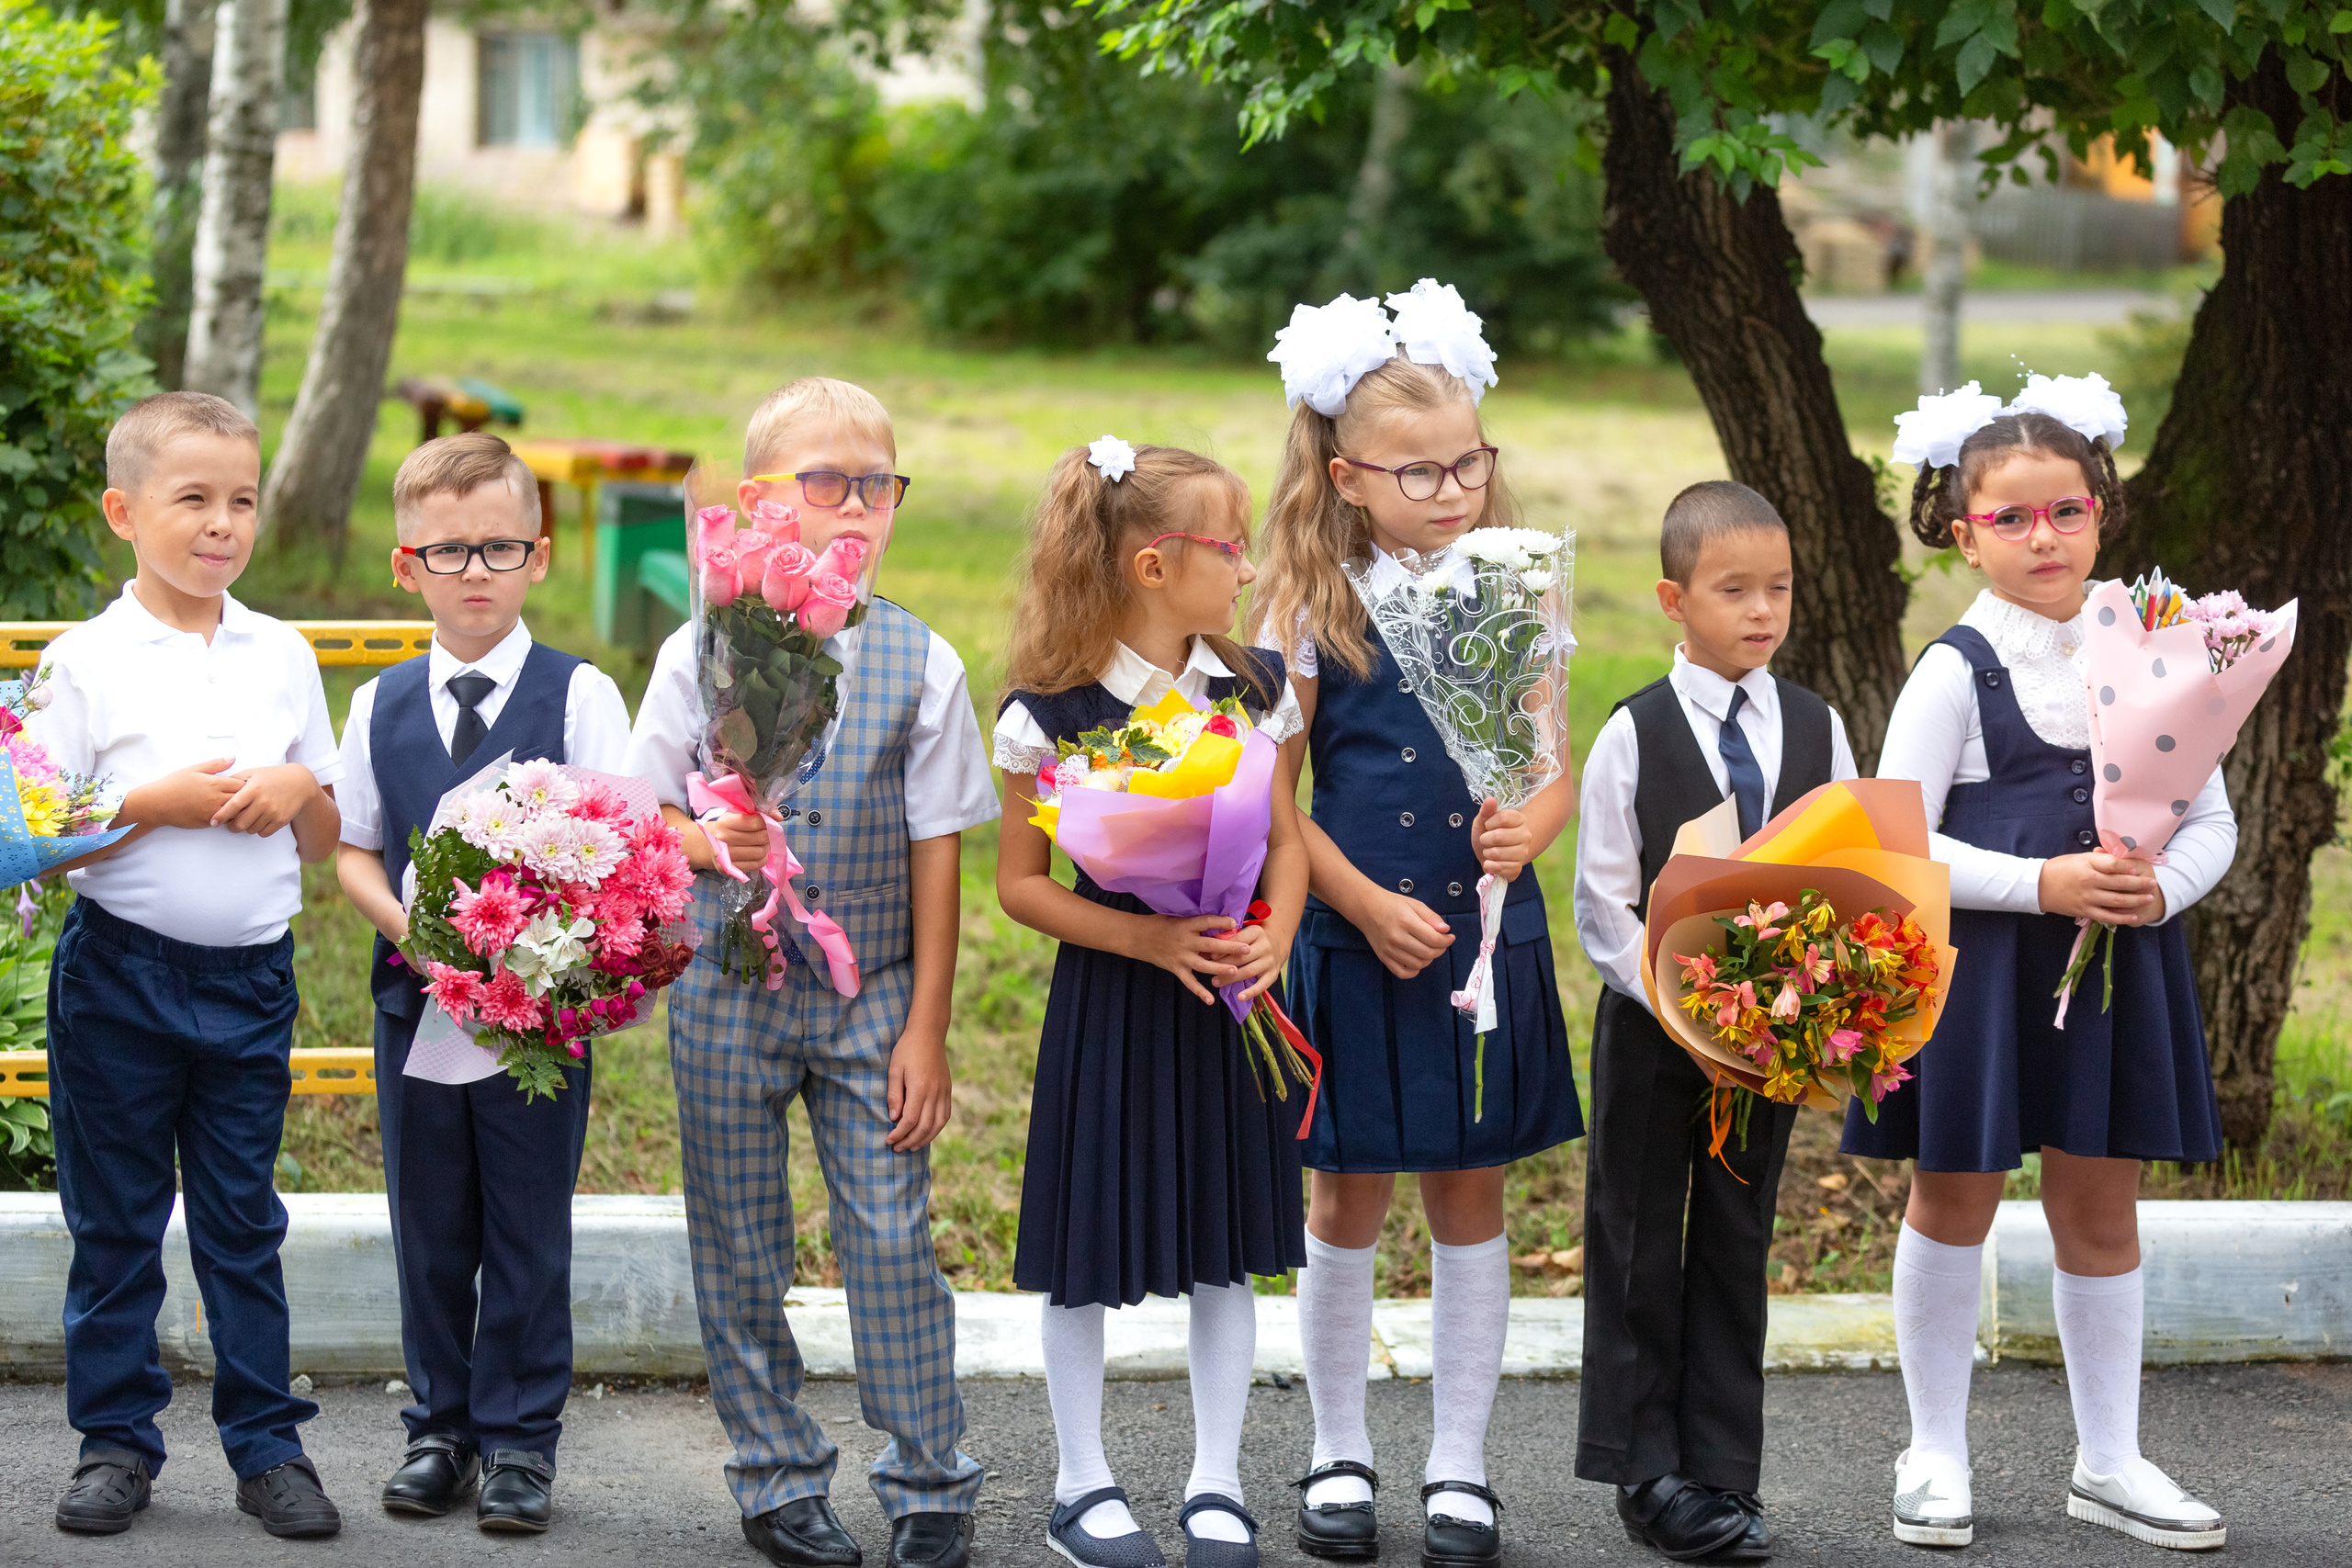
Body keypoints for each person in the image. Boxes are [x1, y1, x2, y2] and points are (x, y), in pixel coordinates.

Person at [1849, 387, 2231, 1551]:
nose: (2044, 538)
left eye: (2065, 511)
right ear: (1963, 534)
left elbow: (2212, 819)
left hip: (2118, 969)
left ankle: (2108, 1461)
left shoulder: (2155, 655)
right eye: (2010, 520)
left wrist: (2161, 888)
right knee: (1953, 1193)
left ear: (2103, 513)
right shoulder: (1955, 670)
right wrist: (2043, 885)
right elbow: (1894, 840)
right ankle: (1932, 1452)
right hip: (1981, 975)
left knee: (2101, 1204)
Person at [624, 377, 997, 1568]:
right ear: (755, 503)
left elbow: (939, 850)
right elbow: (639, 815)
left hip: (872, 991)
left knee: (889, 1234)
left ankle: (930, 1472)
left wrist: (925, 1027)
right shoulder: (702, 651)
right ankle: (777, 1470)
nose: (854, 506)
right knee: (738, 1240)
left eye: (876, 484)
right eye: (823, 481)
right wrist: (702, 838)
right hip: (726, 995)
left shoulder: (919, 660)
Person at [1246, 284, 1583, 1568]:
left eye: (1468, 463)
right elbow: (1277, 801)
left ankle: (1460, 1461)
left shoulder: (1517, 584)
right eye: (1420, 471)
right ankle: (1340, 1446)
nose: (1452, 489)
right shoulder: (1312, 603)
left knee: (1469, 1193)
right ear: (1348, 475)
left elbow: (1551, 757)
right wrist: (1358, 897)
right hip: (1361, 930)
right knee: (1345, 1198)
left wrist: (1534, 825)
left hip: (1488, 937)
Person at [993, 438, 1312, 1568]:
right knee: (1090, 1237)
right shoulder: (1051, 710)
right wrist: (1145, 933)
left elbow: (1285, 845)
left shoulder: (1256, 690)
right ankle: (1081, 1484)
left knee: (1225, 1245)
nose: (1249, 567)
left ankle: (1216, 1481)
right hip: (1115, 1000)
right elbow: (1021, 888)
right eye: (1231, 547)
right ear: (1152, 566)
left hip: (1229, 996)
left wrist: (1272, 931)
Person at [34, 391, 346, 1539]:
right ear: (123, 511)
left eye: (243, 501)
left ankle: (268, 1447)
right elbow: (34, 837)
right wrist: (148, 808)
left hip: (249, 982)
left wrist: (302, 788)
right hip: (118, 979)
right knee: (114, 1222)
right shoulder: (83, 663)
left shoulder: (284, 651)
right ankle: (115, 1442)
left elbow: (324, 834)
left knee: (239, 1222)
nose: (223, 524)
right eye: (193, 499)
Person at [333, 433, 633, 1534]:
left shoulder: (579, 693)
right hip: (417, 1003)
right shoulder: (379, 707)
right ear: (406, 567)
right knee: (428, 1218)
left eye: (499, 548)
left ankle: (519, 1441)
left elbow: (625, 848)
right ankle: (439, 1429)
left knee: (524, 1221)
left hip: (537, 1019)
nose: (475, 573)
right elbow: (356, 848)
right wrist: (414, 932)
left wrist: (556, 947)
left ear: (539, 557)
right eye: (447, 553)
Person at [1572, 480, 1860, 1562]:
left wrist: (1805, 1007)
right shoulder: (1633, 733)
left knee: (1740, 1237)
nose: (1760, 611)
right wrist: (1684, 1010)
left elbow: (1848, 868)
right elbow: (1603, 904)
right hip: (1656, 1032)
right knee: (1638, 1234)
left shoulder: (1817, 725)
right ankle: (1643, 1467)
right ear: (1672, 597)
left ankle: (1721, 1467)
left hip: (1775, 1042)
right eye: (1732, 589)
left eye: (1777, 589)